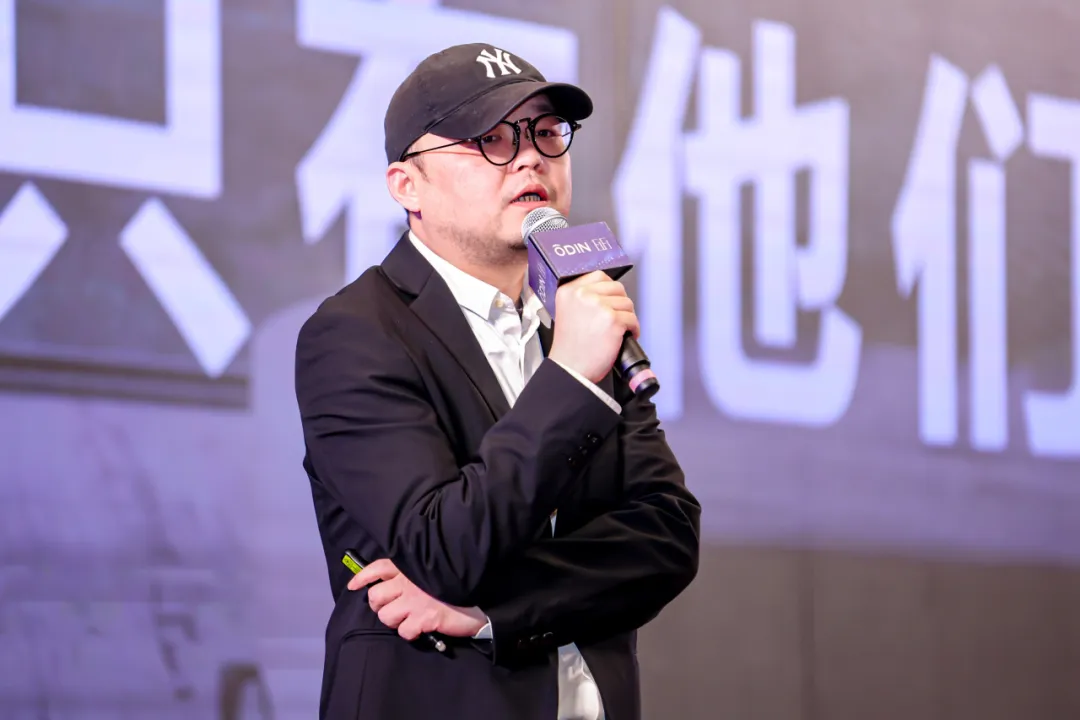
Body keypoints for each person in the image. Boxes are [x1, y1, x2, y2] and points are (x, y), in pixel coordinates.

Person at [293, 42, 701, 720]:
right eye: (491, 139)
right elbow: (441, 548)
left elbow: (666, 538)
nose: (530, 158)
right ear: (407, 185)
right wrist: (571, 376)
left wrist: (493, 614)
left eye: (546, 133)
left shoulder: (579, 313)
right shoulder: (355, 334)